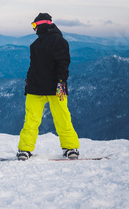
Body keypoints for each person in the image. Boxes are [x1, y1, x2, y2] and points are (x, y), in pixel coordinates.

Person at [17, 13, 80, 160]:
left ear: (43, 24)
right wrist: (28, 82)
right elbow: (33, 66)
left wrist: (61, 82)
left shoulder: (59, 41)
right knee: (34, 119)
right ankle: (25, 149)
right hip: (36, 87)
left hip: (55, 88)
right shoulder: (35, 45)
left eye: (35, 26)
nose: (34, 29)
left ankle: (70, 147)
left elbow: (63, 63)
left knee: (61, 117)